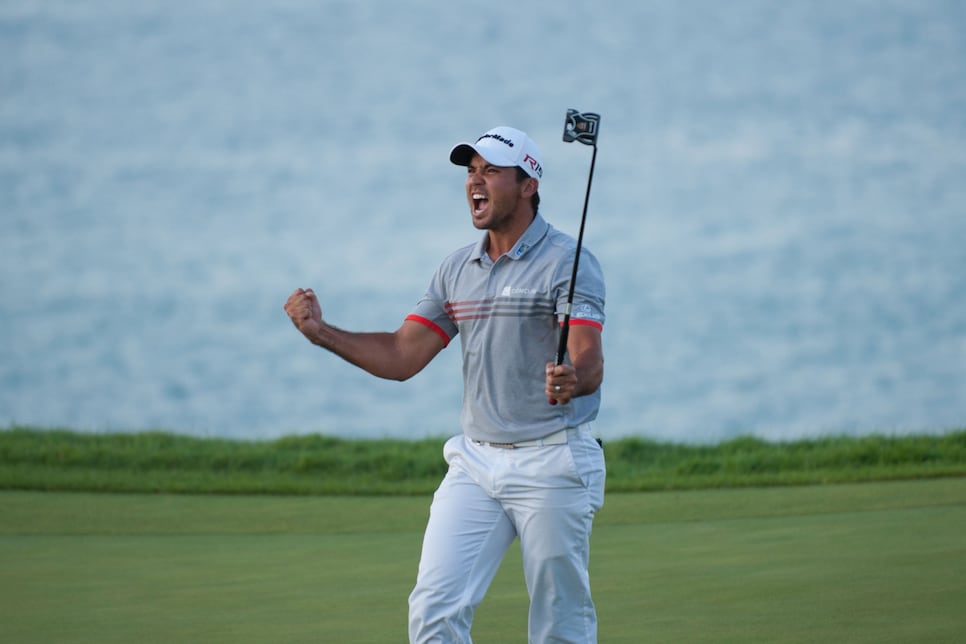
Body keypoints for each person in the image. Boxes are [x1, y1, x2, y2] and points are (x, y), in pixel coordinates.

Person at [284, 126, 606, 643]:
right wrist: (321, 333)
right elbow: (401, 354)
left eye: (491, 171)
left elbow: (588, 358)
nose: (475, 182)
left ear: (528, 186)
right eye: (471, 171)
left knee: (559, 623)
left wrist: (576, 378)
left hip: (552, 461)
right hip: (476, 463)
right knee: (433, 610)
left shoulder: (568, 263)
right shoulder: (457, 269)